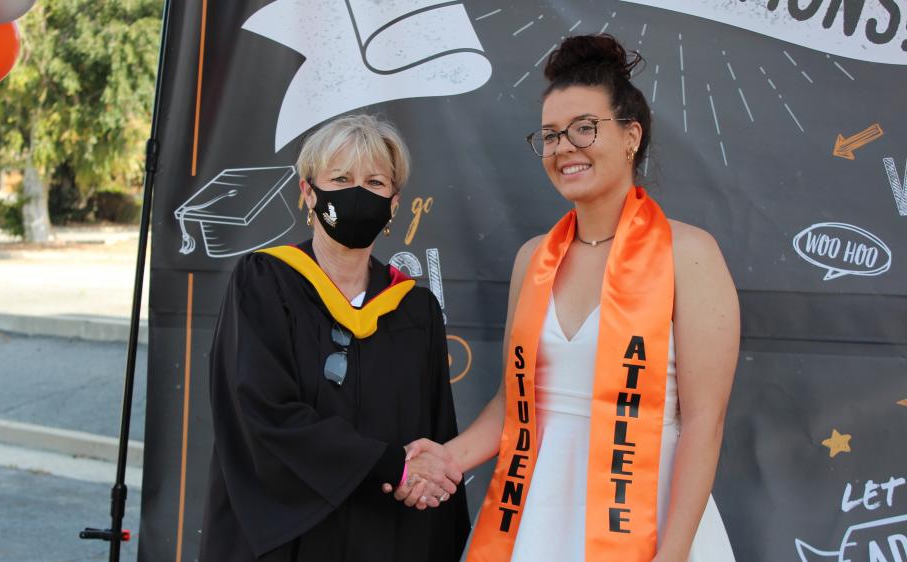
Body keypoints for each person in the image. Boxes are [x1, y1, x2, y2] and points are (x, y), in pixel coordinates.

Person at [402, 34, 740, 561]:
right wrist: (446, 459)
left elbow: (703, 421)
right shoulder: (533, 259)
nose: (564, 148)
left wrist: (672, 553)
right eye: (551, 136)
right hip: (535, 513)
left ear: (631, 136)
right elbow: (514, 406)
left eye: (585, 128)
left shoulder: (690, 254)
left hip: (646, 515)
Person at [199, 114, 470, 562]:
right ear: (308, 192)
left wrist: (426, 484)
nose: (358, 193)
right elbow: (261, 411)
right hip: (292, 537)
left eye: (375, 182)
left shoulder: (414, 309)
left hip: (387, 536)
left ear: (394, 202)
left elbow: (435, 432)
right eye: (340, 178)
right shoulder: (266, 283)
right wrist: (391, 467)